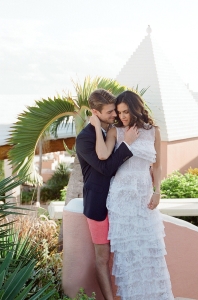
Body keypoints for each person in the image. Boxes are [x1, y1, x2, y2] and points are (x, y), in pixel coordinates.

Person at [91, 90, 174, 299]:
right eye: (119, 113)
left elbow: (157, 167)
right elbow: (102, 155)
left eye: (126, 111)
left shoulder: (153, 131)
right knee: (128, 259)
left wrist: (157, 192)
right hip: (121, 201)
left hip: (144, 200)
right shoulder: (115, 132)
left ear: (136, 108)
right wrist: (94, 126)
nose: (123, 116)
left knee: (151, 253)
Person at [76, 89, 139, 300]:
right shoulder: (84, 139)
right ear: (95, 112)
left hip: (119, 204)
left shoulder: (112, 131)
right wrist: (127, 144)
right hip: (98, 207)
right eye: (110, 112)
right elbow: (106, 168)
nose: (115, 115)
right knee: (102, 259)